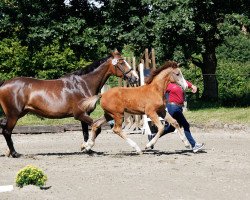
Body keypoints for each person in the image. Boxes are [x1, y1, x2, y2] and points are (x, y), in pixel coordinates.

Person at [148, 80, 204, 153]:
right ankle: (194, 145)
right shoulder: (168, 84)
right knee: (186, 125)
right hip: (173, 107)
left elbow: (184, 82)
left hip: (178, 108)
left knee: (171, 128)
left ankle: (153, 137)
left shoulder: (179, 82)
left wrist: (192, 86)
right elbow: (158, 89)